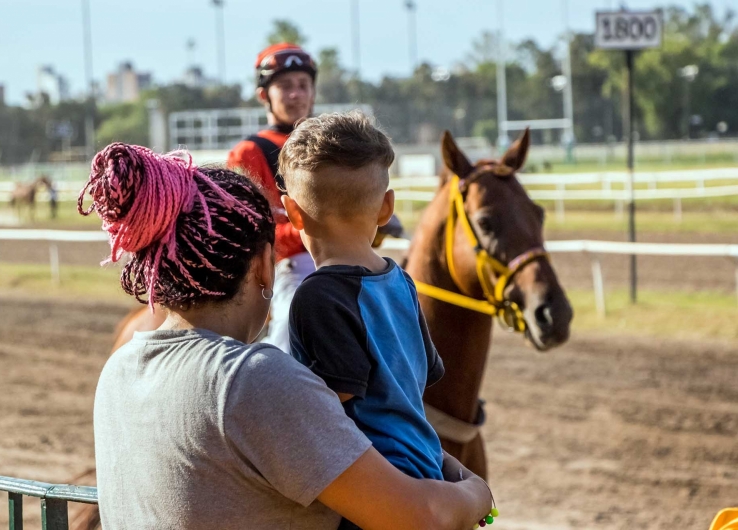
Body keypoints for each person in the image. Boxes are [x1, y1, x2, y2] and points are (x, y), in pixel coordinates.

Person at [80, 142, 494, 529]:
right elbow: (422, 516)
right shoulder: (254, 381)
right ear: (264, 265)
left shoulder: (117, 369)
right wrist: (478, 492)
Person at [281, 113, 469, 529]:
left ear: (292, 212)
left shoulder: (317, 295)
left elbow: (328, 405)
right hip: (427, 469)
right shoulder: (401, 280)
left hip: (375, 490)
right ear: (386, 207)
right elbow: (421, 376)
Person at [226, 43, 319, 353]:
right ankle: (278, 383)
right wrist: (317, 230)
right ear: (264, 95)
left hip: (334, 257)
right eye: (285, 86)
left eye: (303, 85)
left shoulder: (329, 145)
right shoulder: (249, 153)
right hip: (283, 268)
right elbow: (250, 233)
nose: (296, 94)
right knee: (295, 322)